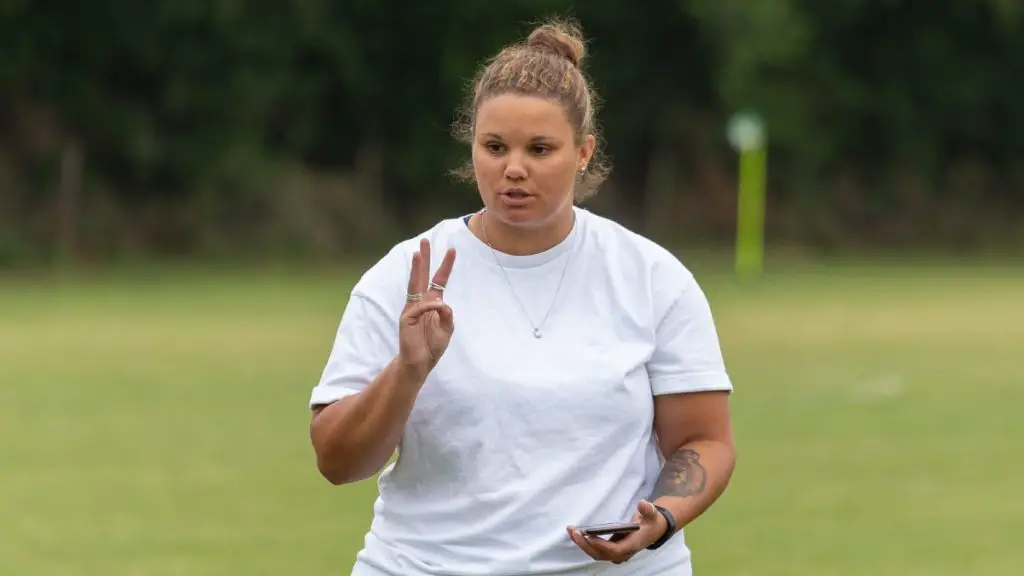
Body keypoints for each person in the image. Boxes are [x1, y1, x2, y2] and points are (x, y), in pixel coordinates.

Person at [308, 18, 736, 576]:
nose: (513, 169)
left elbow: (704, 439)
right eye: (494, 147)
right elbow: (337, 462)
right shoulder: (408, 274)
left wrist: (661, 517)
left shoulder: (650, 276)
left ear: (583, 153)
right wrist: (408, 370)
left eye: (539, 149)